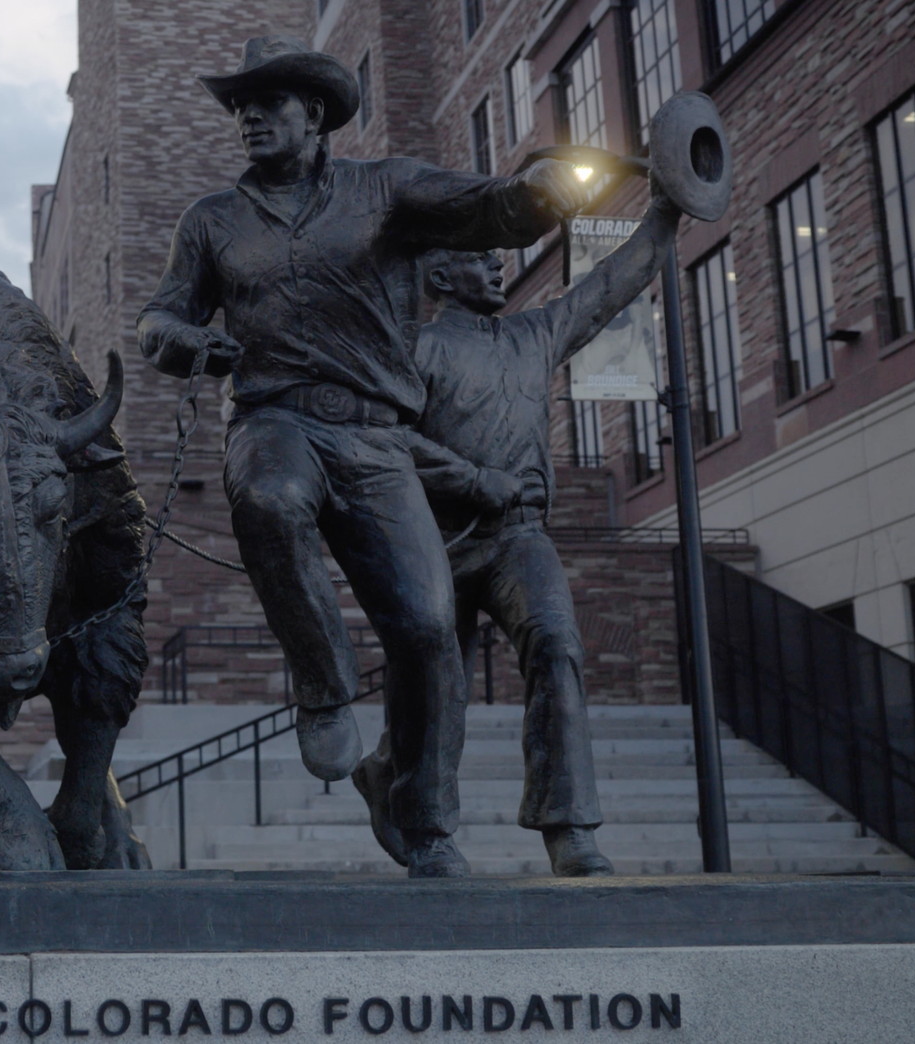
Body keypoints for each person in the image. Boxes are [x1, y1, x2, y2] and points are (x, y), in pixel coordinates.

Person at [136, 36, 590, 877]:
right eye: (241, 106)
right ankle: (321, 686)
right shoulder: (212, 221)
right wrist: (186, 342)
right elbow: (158, 319)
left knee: (425, 628)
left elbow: (492, 207)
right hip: (275, 421)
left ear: (314, 114)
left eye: (267, 103)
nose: (249, 118)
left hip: (378, 441)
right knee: (268, 497)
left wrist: (544, 192)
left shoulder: (386, 189)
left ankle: (417, 814)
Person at [350, 191, 686, 878]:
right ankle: (424, 822)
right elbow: (381, 440)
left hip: (519, 538)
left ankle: (568, 827)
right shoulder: (414, 350)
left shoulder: (534, 337)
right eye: (481, 259)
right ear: (441, 277)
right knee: (437, 681)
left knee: (558, 644)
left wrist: (665, 216)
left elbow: (606, 288)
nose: (501, 268)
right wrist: (476, 479)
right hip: (433, 540)